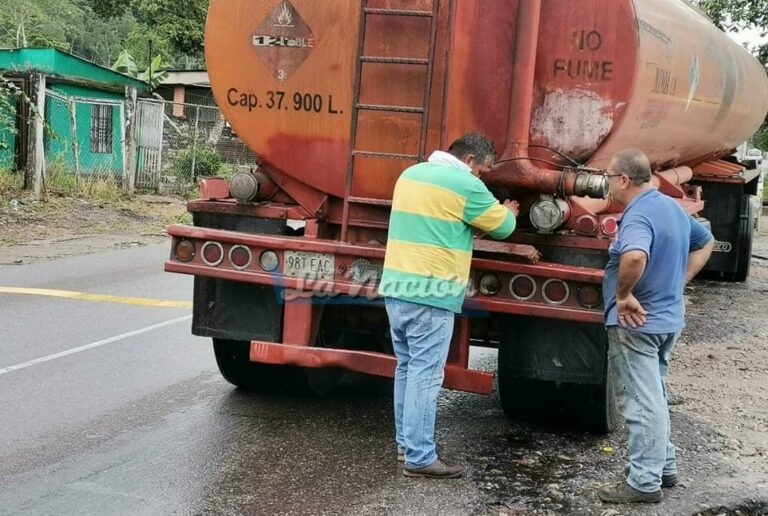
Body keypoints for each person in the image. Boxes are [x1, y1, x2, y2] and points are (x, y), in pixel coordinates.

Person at [378, 132, 519, 479]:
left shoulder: (410, 175)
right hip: (432, 293)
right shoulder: (463, 183)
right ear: (469, 160)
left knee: (408, 369)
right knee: (426, 375)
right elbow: (504, 228)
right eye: (483, 171)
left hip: (396, 287)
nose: (482, 177)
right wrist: (507, 210)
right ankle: (421, 457)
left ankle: (406, 446)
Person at [597, 149, 714, 503]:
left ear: (623, 180)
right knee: (655, 395)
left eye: (608, 177)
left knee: (640, 401)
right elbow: (705, 241)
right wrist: (681, 280)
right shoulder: (669, 207)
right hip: (667, 320)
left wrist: (623, 296)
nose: (606, 184)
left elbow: (634, 255)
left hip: (638, 323)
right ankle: (664, 466)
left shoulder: (637, 215)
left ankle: (644, 482)